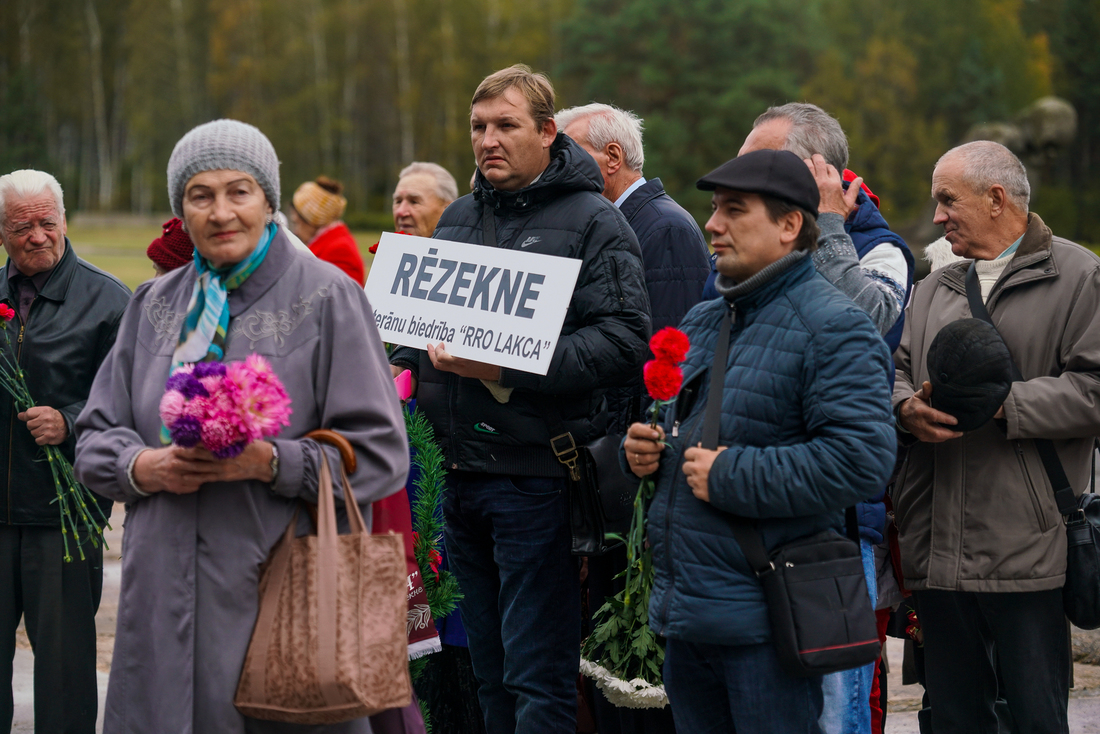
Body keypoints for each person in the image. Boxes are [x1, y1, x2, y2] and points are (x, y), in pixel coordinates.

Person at [73, 118, 409, 733]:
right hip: (161, 605)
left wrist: (271, 462)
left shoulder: (328, 298)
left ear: (268, 200)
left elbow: (383, 453)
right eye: (201, 195)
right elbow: (94, 440)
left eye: (239, 191)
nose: (221, 211)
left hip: (280, 608)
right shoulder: (155, 304)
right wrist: (144, 467)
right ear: (182, 208)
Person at [389, 64, 650, 734]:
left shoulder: (593, 222)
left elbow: (624, 343)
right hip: (457, 476)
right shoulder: (456, 217)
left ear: (545, 131)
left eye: (505, 125)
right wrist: (391, 354)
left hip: (535, 476)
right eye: (478, 126)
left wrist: (513, 365)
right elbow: (419, 335)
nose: (488, 140)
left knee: (538, 676)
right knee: (490, 674)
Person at [624, 149, 895, 732]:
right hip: (687, 620)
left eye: (733, 210)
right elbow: (690, 441)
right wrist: (648, 455)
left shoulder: (835, 326)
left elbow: (863, 462)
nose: (712, 225)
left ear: (789, 225)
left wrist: (730, 476)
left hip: (766, 628)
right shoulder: (704, 320)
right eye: (714, 209)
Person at [892, 140, 1100, 734]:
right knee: (954, 718)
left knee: (1035, 717)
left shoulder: (1078, 275)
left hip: (1025, 548)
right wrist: (907, 410)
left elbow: (1095, 387)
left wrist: (1002, 404)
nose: (936, 216)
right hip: (935, 548)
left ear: (996, 198)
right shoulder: (934, 288)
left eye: (946, 200)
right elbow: (898, 374)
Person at [728, 102, 915, 734]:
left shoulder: (882, 249)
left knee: (833, 710)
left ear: (819, 175)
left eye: (761, 164)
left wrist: (830, 228)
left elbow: (867, 323)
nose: (740, 178)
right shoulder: (742, 247)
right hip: (743, 511)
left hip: (834, 528)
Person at [555, 102, 709, 733]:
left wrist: (628, 459)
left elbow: (664, 368)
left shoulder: (663, 229)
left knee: (639, 671)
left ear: (610, 159)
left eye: (567, 150)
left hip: (637, 473)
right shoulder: (607, 225)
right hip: (613, 464)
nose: (556, 166)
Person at [0, 169, 131, 734]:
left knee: (64, 675)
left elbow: (134, 408)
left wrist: (71, 423)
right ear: (2, 231)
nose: (36, 236)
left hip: (65, 519)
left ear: (64, 222)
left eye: (46, 223)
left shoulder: (109, 302)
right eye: (21, 226)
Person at [287, 175, 365, 285]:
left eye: (297, 223)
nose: (296, 232)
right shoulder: (332, 245)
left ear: (312, 220)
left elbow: (342, 299)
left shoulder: (339, 251)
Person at [392, 162, 458, 238]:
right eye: (398, 201)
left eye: (414, 202)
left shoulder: (466, 248)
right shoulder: (381, 249)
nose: (400, 212)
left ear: (448, 209)